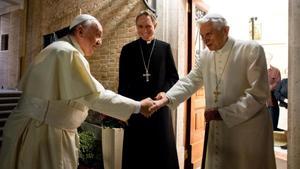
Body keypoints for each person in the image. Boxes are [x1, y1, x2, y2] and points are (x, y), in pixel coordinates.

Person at [0, 14, 155, 169]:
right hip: (45, 135)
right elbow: (94, 96)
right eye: (98, 35)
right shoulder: (67, 53)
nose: (100, 42)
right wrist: (138, 106)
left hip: (37, 129)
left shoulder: (58, 48)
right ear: (80, 31)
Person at [151, 13, 276, 169]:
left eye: (209, 34)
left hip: (247, 129)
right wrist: (167, 97)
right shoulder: (205, 56)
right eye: (202, 36)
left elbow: (258, 94)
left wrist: (222, 113)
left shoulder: (251, 49)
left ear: (225, 30)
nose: (205, 40)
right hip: (219, 126)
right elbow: (191, 80)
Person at [118, 10, 180, 169]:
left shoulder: (164, 48)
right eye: (140, 26)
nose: (144, 30)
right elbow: (123, 84)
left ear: (155, 25)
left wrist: (165, 91)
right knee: (137, 156)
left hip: (159, 109)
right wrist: (123, 110)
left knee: (162, 154)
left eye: (148, 26)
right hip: (136, 109)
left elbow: (173, 77)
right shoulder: (127, 50)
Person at [266, 53, 281, 130]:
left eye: (268, 58)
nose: (266, 59)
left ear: (271, 59)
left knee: (272, 128)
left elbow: (278, 84)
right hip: (259, 105)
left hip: (271, 103)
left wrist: (267, 88)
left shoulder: (276, 71)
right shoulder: (257, 70)